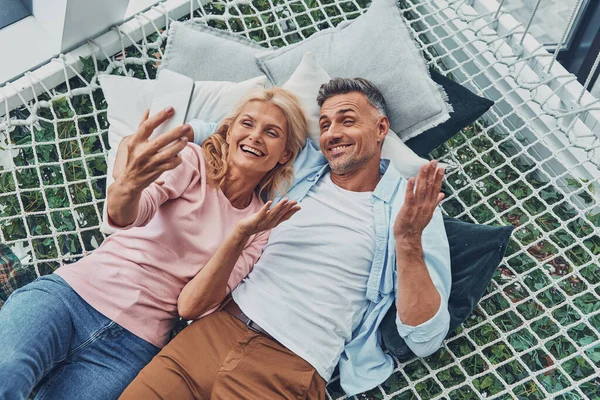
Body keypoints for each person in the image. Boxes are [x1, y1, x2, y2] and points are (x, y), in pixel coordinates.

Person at [120, 77, 452, 399]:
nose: (333, 133)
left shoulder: (413, 208)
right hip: (212, 332)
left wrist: (408, 242)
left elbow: (425, 337)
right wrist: (188, 132)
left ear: (381, 128)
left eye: (347, 121)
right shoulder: (305, 168)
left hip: (289, 365)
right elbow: (244, 137)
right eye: (324, 125)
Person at [0, 88, 307, 400]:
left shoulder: (260, 226)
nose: (255, 136)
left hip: (129, 348)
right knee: (5, 377)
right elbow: (128, 214)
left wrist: (238, 235)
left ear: (285, 154)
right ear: (228, 133)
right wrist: (129, 185)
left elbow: (191, 307)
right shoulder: (193, 161)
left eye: (271, 132)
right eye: (247, 124)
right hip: (70, 298)